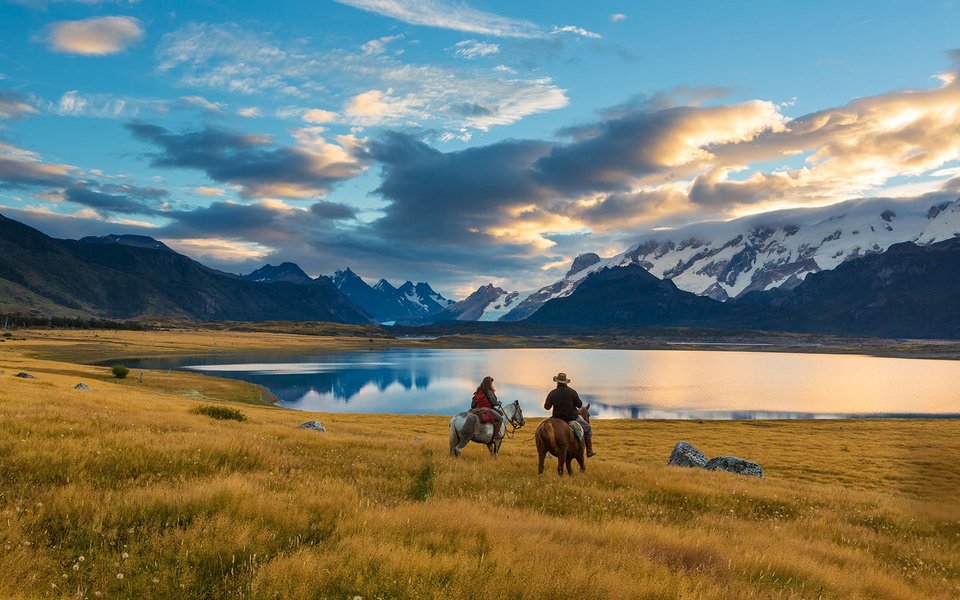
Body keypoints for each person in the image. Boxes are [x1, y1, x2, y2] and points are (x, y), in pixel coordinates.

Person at [544, 372, 595, 457]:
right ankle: (589, 450)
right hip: (572, 417)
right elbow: (579, 405)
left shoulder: (552, 393)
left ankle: (547, 450)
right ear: (566, 382)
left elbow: (546, 407)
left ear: (557, 382)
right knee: (588, 429)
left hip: (556, 418)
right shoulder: (572, 392)